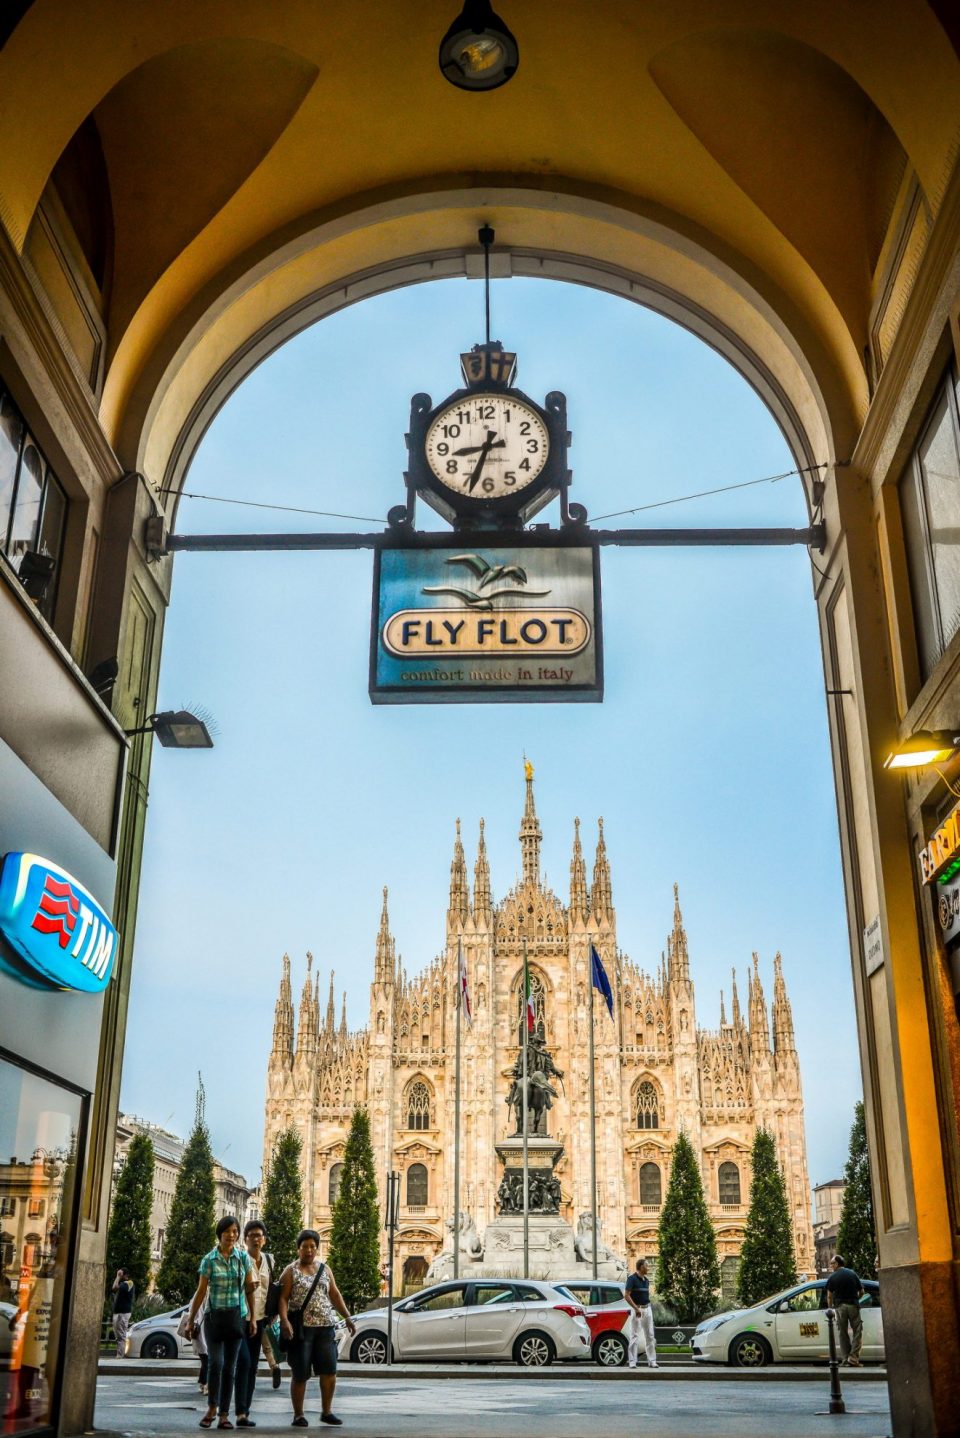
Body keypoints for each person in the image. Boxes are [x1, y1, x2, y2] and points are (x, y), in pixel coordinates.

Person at [278, 1230, 356, 1427]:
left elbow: (335, 1295)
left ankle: (327, 1411)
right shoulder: (290, 1271)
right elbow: (283, 1298)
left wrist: (347, 1316)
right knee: (301, 1372)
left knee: (329, 1370)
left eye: (313, 1246)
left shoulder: (324, 1269)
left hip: (326, 1327)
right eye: (305, 1246)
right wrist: (284, 1321)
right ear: (298, 1249)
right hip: (302, 1330)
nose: (309, 1250)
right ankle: (298, 1414)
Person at [186, 1216, 256, 1430]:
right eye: (227, 1231)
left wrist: (252, 1317)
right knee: (215, 1363)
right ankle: (212, 1407)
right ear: (220, 1234)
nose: (232, 1235)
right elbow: (201, 1292)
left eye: (235, 1231)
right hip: (214, 1318)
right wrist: (191, 1320)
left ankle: (224, 1415)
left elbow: (250, 1289)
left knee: (230, 1368)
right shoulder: (209, 1259)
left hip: (236, 1318)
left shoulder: (243, 1258)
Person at [233, 1219, 281, 1425]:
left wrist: (274, 1312)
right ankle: (239, 1411)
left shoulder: (269, 1261)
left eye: (259, 1235)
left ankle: (245, 1410)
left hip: (260, 1319)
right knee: (243, 1362)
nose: (255, 1238)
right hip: (241, 1319)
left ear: (264, 1240)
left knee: (252, 1365)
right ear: (245, 1240)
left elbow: (270, 1289)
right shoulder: (240, 1260)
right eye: (251, 1235)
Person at [826, 1254, 864, 1366]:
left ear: (837, 1264)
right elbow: (862, 1291)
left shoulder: (832, 1277)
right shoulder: (852, 1273)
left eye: (832, 1263)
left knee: (842, 1333)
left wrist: (829, 1309)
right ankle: (853, 1358)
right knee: (857, 1331)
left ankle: (845, 1359)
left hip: (840, 1307)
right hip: (853, 1305)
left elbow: (829, 1296)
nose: (831, 1265)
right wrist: (856, 1299)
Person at [625, 1258, 658, 1370]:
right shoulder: (632, 1279)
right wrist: (636, 1308)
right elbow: (627, 1295)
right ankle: (632, 1362)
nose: (648, 1267)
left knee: (650, 1336)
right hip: (636, 1310)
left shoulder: (646, 1281)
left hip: (647, 1309)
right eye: (647, 1265)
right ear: (641, 1267)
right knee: (634, 1335)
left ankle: (652, 1361)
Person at [111, 1268, 135, 1358]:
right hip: (118, 1312)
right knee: (118, 1335)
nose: (120, 1275)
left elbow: (115, 1287)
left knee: (121, 1335)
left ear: (125, 1275)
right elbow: (113, 1288)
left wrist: (118, 1276)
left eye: (121, 1273)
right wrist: (118, 1277)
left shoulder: (129, 1283)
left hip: (123, 1313)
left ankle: (120, 1356)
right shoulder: (123, 1284)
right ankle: (119, 1354)